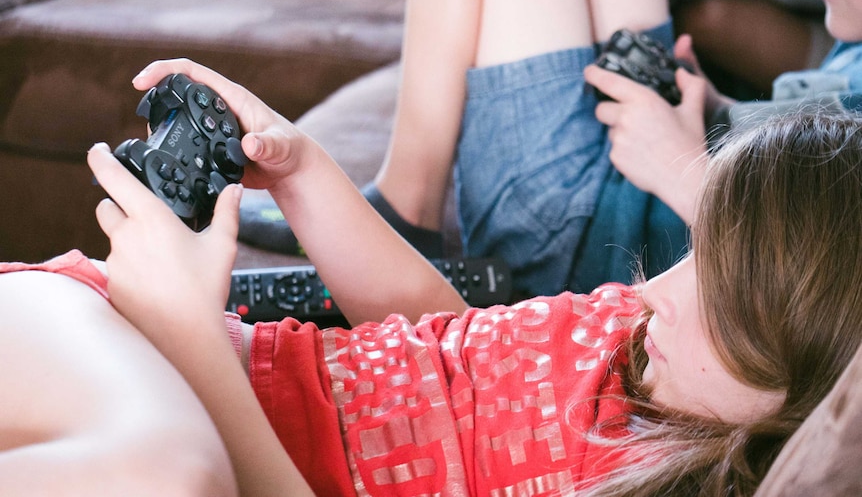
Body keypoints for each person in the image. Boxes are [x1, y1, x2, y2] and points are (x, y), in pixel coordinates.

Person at [4, 56, 862, 496]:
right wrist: (304, 171)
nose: (657, 295)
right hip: (117, 342)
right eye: (691, 254)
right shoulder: (648, 347)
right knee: (167, 473)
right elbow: (440, 342)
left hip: (178, 373)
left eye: (716, 302)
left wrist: (190, 330)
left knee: (171, 476)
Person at [239, 0, 862, 299]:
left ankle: (409, 206)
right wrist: (715, 108)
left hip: (599, 242)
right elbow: (813, 134)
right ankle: (405, 203)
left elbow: (821, 272)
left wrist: (678, 163)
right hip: (661, 140)